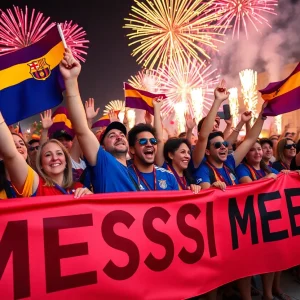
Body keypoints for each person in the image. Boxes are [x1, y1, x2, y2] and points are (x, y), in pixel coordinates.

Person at [60, 48, 138, 193]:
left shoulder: (137, 171)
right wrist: (71, 81)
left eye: (121, 135)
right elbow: (82, 130)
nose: (119, 137)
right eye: (112, 136)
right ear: (102, 147)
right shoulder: (104, 162)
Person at [0, 112, 91, 198]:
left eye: (59, 153)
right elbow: (11, 154)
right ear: (40, 164)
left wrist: (91, 197)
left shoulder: (79, 187)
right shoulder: (35, 185)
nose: (55, 158)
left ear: (66, 161)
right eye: (48, 155)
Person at [127, 123, 179, 191]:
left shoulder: (169, 176)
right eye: (143, 141)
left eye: (153, 141)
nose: (149, 144)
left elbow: (177, 201)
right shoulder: (125, 176)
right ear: (132, 149)